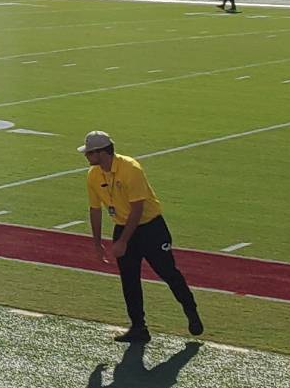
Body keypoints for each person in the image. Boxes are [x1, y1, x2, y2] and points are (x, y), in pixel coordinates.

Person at [81, 130, 202, 342]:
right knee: (129, 280)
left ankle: (190, 309)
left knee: (168, 272)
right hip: (122, 226)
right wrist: (97, 243)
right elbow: (95, 210)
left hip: (150, 228)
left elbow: (137, 209)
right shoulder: (93, 175)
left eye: (89, 152)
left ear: (101, 152)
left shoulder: (131, 169)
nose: (86, 156)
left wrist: (123, 242)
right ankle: (139, 327)